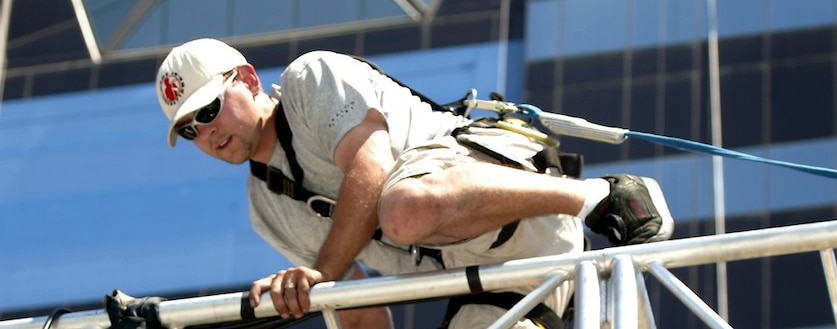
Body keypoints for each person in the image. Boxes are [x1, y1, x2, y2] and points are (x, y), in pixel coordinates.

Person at [154, 38, 673, 329]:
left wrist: (319, 272)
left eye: (209, 110)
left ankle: (603, 197)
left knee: (400, 209)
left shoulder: (310, 80)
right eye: (189, 130)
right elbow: (358, 311)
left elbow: (370, 167)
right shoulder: (264, 206)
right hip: (488, 274)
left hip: (507, 202)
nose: (206, 132)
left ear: (245, 81)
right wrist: (323, 285)